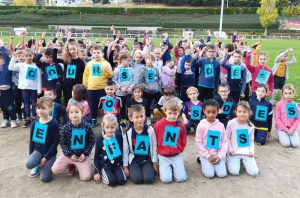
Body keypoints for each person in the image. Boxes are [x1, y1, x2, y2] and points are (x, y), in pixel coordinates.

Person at [51, 102, 95, 181]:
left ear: (82, 113)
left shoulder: (87, 126)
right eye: (71, 112)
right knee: (55, 169)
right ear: (68, 114)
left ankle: (81, 164)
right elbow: (63, 143)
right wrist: (70, 154)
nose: (74, 114)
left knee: (86, 178)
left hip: (82, 156)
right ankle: (71, 164)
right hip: (69, 156)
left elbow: (91, 141)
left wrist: (85, 154)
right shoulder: (65, 128)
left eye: (77, 112)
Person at [25, 97, 60, 182]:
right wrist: (31, 154)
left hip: (50, 153)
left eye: (44, 108)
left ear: (50, 109)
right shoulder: (34, 123)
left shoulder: (54, 124)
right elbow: (32, 140)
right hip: (38, 151)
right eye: (38, 108)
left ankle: (54, 159)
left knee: (44, 179)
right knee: (29, 164)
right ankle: (38, 165)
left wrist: (46, 158)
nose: (40, 111)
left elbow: (55, 142)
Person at [154, 99, 187, 183]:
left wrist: (179, 149)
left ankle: (175, 167)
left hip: (176, 154)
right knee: (166, 180)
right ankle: (166, 167)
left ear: (179, 112)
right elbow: (155, 139)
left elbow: (183, 140)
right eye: (170, 113)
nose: (172, 116)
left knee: (181, 178)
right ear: (165, 111)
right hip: (163, 155)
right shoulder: (159, 124)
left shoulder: (181, 125)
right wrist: (158, 151)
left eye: (175, 113)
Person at [123, 105, 158, 184]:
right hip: (134, 159)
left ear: (145, 116)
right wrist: (125, 167)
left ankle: (147, 170)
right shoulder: (128, 133)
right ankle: (135, 170)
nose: (140, 119)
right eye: (136, 117)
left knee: (148, 179)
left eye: (142, 116)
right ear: (131, 118)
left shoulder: (150, 130)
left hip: (146, 159)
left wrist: (154, 163)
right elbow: (125, 151)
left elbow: (154, 147)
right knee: (137, 179)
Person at [9, 48, 42, 128]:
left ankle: (34, 118)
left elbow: (39, 78)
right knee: (26, 104)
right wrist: (13, 58)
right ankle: (27, 119)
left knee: (34, 103)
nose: (28, 57)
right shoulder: (20, 65)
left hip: (34, 88)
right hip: (24, 88)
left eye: (30, 56)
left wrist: (39, 89)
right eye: (26, 56)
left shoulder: (36, 66)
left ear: (33, 55)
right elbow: (10, 68)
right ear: (24, 56)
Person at [195, 99, 228, 178]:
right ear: (204, 111)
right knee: (210, 175)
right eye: (208, 112)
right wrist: (207, 156)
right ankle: (200, 158)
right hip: (206, 154)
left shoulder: (221, 125)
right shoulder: (201, 125)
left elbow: (224, 142)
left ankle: (213, 161)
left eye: (214, 112)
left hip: (217, 154)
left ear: (218, 111)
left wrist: (220, 156)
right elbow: (199, 142)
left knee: (222, 174)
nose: (211, 115)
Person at [83, 45, 113, 127]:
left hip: (103, 89)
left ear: (102, 53)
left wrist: (106, 71)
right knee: (93, 105)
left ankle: (106, 119)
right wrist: (85, 85)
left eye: (98, 53)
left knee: (105, 105)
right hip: (91, 88)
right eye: (94, 53)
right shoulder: (89, 64)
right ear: (92, 54)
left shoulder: (106, 63)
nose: (96, 54)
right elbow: (85, 75)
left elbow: (110, 75)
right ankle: (94, 119)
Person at [226, 101, 259, 176]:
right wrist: (230, 149)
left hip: (246, 152)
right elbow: (227, 138)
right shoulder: (231, 123)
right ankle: (231, 161)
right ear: (236, 112)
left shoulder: (251, 126)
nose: (242, 114)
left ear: (249, 113)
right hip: (234, 152)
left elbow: (251, 140)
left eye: (244, 112)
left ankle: (242, 162)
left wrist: (251, 151)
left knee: (254, 172)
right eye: (239, 112)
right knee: (234, 172)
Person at [93, 114, 125, 186]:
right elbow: (97, 156)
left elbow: (123, 151)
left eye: (112, 127)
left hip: (117, 165)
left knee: (121, 181)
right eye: (107, 127)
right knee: (112, 182)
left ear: (116, 126)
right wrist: (96, 171)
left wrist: (124, 165)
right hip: (105, 166)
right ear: (103, 126)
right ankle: (102, 173)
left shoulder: (119, 137)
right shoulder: (100, 140)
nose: (109, 130)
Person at [53, 38, 85, 105]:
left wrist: (82, 84)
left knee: (77, 100)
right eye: (70, 49)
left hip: (77, 85)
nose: (72, 51)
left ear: (77, 49)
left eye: (74, 49)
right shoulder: (66, 60)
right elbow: (54, 60)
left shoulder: (80, 61)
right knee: (67, 100)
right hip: (67, 84)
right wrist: (55, 49)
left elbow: (83, 73)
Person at [112, 51, 138, 127]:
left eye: (130, 60)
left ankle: (128, 119)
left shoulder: (131, 70)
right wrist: (120, 87)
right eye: (128, 60)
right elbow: (114, 80)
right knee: (121, 107)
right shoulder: (117, 70)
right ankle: (122, 119)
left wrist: (130, 87)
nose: (130, 62)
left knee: (129, 106)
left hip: (129, 93)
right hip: (120, 93)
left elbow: (134, 80)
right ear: (122, 60)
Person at [139, 52, 162, 126]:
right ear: (145, 59)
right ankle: (148, 118)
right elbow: (140, 81)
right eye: (149, 59)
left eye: (152, 59)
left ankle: (160, 116)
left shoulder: (156, 69)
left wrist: (157, 86)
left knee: (161, 102)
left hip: (155, 90)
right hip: (147, 92)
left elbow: (159, 78)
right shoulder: (143, 70)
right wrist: (146, 87)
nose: (150, 61)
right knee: (147, 105)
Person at [0, 39, 17, 128]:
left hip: (7, 89)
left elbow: (6, 56)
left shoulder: (8, 63)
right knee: (2, 106)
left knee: (9, 105)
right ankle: (5, 119)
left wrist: (2, 45)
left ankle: (13, 119)